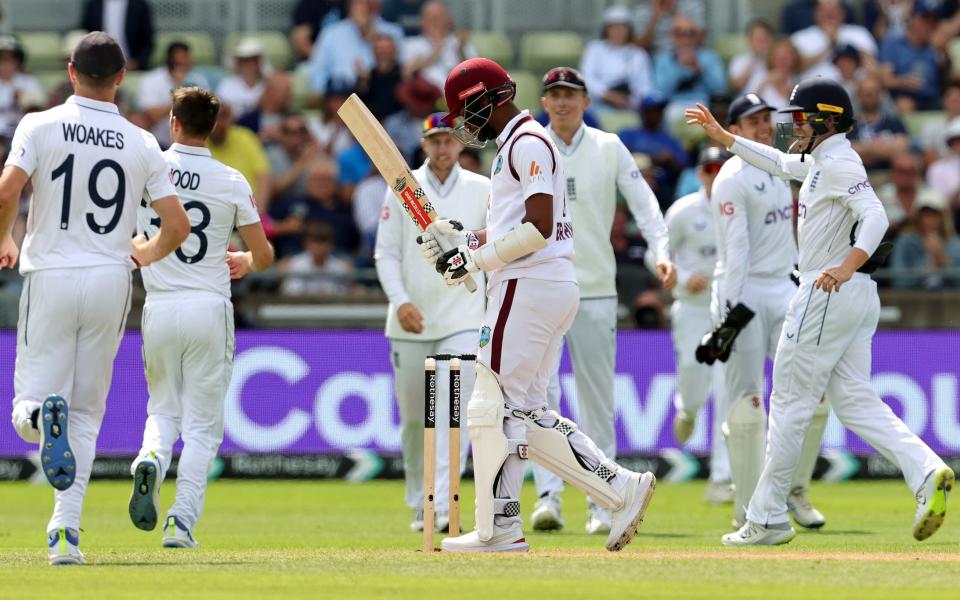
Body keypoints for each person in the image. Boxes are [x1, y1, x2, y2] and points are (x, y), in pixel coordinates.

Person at [686, 78, 954, 546]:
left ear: (828, 120)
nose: (792, 126)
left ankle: (766, 517)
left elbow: (877, 216)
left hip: (825, 291)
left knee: (788, 403)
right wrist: (727, 140)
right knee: (855, 402)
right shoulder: (820, 160)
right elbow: (779, 161)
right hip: (852, 298)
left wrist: (846, 265)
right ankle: (926, 470)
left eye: (801, 117)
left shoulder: (839, 162)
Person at [419, 57, 658, 553]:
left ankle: (499, 528)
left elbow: (539, 227)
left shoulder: (527, 142)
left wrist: (476, 258)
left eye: (466, 111)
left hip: (527, 285)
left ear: (487, 99)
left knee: (492, 407)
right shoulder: (524, 141)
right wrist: (465, 238)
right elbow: (518, 221)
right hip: (547, 284)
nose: (465, 124)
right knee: (521, 412)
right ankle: (616, 489)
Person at [1, 32, 189, 565]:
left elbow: (6, 190)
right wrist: (143, 256)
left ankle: (42, 419)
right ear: (122, 78)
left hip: (52, 274)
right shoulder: (141, 142)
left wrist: (4, 239)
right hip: (110, 278)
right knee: (86, 414)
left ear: (69, 71)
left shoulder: (39, 125)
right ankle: (65, 535)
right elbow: (175, 226)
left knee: (26, 408)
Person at [523, 67, 675, 535]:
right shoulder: (532, 145)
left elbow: (644, 204)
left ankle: (602, 502)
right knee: (538, 398)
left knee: (595, 400)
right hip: (542, 287)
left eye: (570, 95)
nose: (562, 103)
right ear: (545, 103)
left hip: (595, 290)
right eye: (554, 95)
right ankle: (548, 496)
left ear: (586, 101)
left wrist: (660, 252)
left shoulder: (609, 147)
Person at [129, 87, 274, 548]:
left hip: (159, 304)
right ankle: (180, 522)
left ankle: (150, 457)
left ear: (173, 122)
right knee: (203, 428)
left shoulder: (148, 170)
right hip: (209, 306)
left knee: (162, 410)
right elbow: (265, 254)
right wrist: (246, 262)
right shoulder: (231, 179)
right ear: (212, 128)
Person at [701, 93, 829, 531]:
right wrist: (729, 314)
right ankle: (748, 510)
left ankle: (794, 490)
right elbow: (735, 254)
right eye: (752, 120)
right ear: (734, 129)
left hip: (783, 287)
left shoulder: (779, 167)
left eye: (764, 119)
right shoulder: (731, 179)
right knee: (747, 404)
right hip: (744, 295)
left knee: (812, 395)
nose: (761, 126)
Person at [374, 112, 489, 533]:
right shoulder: (403, 190)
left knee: (449, 415)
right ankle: (419, 501)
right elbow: (385, 253)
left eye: (448, 141)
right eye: (434, 141)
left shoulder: (482, 189)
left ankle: (441, 503)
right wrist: (400, 301)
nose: (442, 148)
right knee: (413, 421)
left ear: (459, 144)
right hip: (411, 321)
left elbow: (493, 249)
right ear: (424, 145)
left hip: (462, 317)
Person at [654, 146, 733, 505]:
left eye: (721, 169)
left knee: (728, 390)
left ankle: (721, 477)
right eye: (709, 169)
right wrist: (684, 277)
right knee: (693, 375)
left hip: (730, 312)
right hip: (693, 307)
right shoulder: (684, 211)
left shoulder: (740, 207)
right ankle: (686, 409)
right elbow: (656, 253)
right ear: (700, 173)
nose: (715, 175)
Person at [306, 0, 404, 95]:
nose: (362, 7)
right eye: (357, 3)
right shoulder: (331, 34)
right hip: (341, 99)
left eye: (367, 3)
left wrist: (372, 35)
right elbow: (316, 80)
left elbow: (402, 74)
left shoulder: (393, 32)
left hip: (384, 99)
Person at [579, 6, 655, 112]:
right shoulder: (594, 49)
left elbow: (645, 86)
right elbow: (587, 78)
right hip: (598, 102)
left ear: (629, 29)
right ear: (606, 29)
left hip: (629, 105)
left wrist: (630, 100)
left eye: (622, 26)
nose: (618, 30)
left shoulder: (638, 54)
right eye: (614, 26)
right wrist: (608, 95)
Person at [137, 41, 210, 148]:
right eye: (178, 62)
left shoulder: (198, 80)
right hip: (157, 143)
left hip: (189, 144)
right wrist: (180, 91)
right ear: (169, 61)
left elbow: (205, 115)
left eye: (186, 61)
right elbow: (152, 116)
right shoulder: (151, 80)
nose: (183, 66)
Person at [791, 0, 877, 80]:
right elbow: (795, 68)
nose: (829, 14)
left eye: (834, 10)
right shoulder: (800, 37)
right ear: (816, 13)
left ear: (842, 13)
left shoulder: (859, 32)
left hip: (854, 88)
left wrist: (846, 48)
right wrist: (830, 46)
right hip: (815, 87)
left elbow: (871, 64)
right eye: (824, 10)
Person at [890, 191, 960, 289]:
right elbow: (899, 281)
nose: (929, 219)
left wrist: (943, 261)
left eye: (934, 213)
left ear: (943, 216)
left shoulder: (955, 244)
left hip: (948, 302)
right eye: (925, 214)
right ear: (918, 216)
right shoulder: (905, 242)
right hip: (913, 301)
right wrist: (927, 265)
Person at [878, 6, 942, 112]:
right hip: (902, 97)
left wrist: (942, 53)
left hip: (933, 99)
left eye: (933, 23)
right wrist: (904, 82)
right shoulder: (893, 43)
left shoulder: (934, 48)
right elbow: (886, 80)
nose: (929, 26)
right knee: (904, 104)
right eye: (925, 21)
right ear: (913, 20)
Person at [401, 1, 475, 91]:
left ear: (448, 21)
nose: (435, 23)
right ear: (422, 21)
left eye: (440, 18)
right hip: (426, 98)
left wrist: (460, 51)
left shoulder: (459, 43)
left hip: (458, 95)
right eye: (431, 18)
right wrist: (437, 49)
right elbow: (406, 73)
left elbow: (474, 74)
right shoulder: (411, 43)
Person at [281, 221, 352, 295]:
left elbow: (342, 294)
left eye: (323, 241)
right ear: (306, 244)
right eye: (315, 241)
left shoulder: (340, 267)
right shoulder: (295, 265)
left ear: (331, 244)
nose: (319, 247)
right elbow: (293, 294)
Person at [80, 0, 155, 70]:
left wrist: (138, 63)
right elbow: (86, 35)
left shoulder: (139, 5)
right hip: (99, 68)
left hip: (131, 69)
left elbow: (147, 41)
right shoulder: (94, 5)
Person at [729, 19, 773, 94]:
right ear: (749, 39)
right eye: (758, 38)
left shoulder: (777, 59)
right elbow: (736, 86)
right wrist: (754, 57)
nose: (762, 42)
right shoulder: (739, 60)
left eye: (764, 38)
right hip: (748, 103)